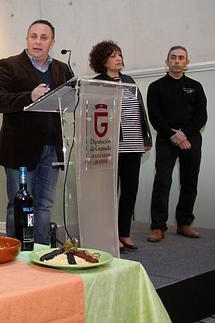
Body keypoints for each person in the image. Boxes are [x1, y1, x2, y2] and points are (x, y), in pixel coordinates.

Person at [0, 19, 72, 244]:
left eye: (44, 38)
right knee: (18, 204)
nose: (38, 41)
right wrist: (29, 96)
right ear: (27, 39)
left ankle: (42, 253)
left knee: (44, 205)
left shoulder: (62, 68)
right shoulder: (9, 65)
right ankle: (16, 256)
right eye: (33, 36)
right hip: (19, 150)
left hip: (52, 148)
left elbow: (71, 99)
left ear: (52, 42)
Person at [89, 40, 153, 251]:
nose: (118, 59)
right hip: (111, 146)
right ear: (103, 61)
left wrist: (146, 137)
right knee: (109, 193)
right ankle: (111, 235)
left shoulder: (129, 80)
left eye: (119, 54)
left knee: (130, 189)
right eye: (113, 55)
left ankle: (124, 233)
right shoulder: (97, 83)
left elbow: (139, 111)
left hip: (133, 144)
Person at [147, 46, 207, 242]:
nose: (177, 61)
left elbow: (201, 116)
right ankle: (158, 227)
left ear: (186, 63)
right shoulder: (156, 87)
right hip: (167, 139)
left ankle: (184, 223)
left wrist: (184, 134)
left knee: (189, 181)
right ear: (167, 61)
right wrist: (173, 135)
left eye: (181, 58)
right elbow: (155, 116)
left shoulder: (195, 86)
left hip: (191, 139)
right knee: (162, 182)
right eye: (173, 57)